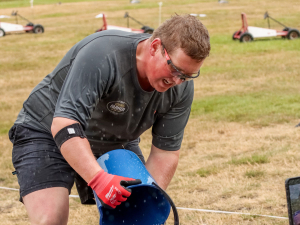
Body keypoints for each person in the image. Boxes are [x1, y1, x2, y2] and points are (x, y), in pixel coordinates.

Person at [9, 14, 210, 224]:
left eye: (187, 75)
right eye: (175, 69)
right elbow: (64, 124)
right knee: (51, 219)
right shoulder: (104, 54)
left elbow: (165, 154)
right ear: (155, 47)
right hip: (46, 130)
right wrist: (98, 180)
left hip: (115, 141)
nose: (178, 81)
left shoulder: (181, 87)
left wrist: (147, 203)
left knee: (138, 215)